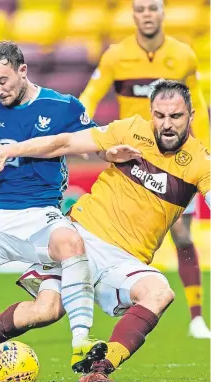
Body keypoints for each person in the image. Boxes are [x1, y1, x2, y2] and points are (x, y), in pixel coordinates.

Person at [0, 80, 210, 382]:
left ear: (191, 115)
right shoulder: (130, 130)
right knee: (45, 311)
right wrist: (11, 149)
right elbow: (64, 142)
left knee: (160, 292)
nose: (167, 124)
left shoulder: (200, 162)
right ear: (150, 114)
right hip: (80, 238)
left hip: (125, 260)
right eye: (160, 115)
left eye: (176, 116)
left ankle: (99, 367)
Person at [0, 39, 116, 373]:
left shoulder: (63, 107)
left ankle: (80, 343)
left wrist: (114, 152)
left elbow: (96, 144)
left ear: (22, 70)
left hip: (36, 213)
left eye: (3, 81)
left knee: (70, 242)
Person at [79, 0, 211, 338]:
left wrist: (207, 151)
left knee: (182, 235)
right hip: (132, 158)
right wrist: (84, 131)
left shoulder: (183, 55)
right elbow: (90, 96)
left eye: (152, 8)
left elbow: (197, 100)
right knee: (117, 229)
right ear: (134, 15)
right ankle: (111, 291)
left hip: (176, 160)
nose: (146, 14)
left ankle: (196, 316)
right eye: (140, 9)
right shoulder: (115, 56)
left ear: (162, 12)